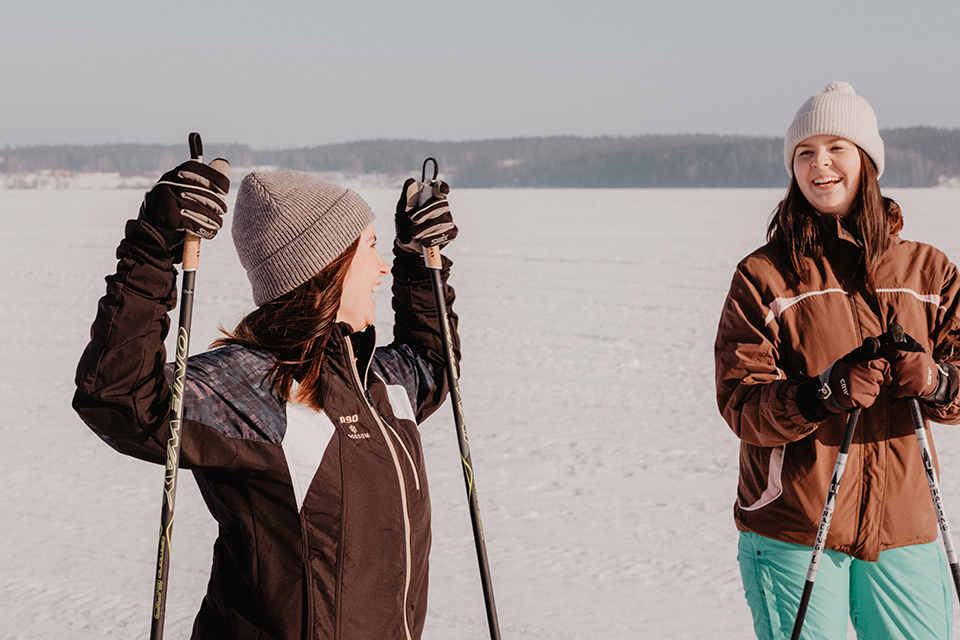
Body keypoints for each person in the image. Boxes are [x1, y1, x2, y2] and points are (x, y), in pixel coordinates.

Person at [73, 159, 460, 639]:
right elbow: (118, 396)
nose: (383, 267)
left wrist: (417, 259)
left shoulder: (374, 381)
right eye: (374, 249)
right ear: (329, 267)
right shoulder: (256, 390)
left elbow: (432, 361)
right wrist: (155, 246)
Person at [715, 81, 960, 639]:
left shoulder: (928, 271)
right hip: (795, 525)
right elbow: (741, 403)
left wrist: (937, 379)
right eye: (804, 153)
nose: (819, 164)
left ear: (867, 161)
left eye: (836, 148)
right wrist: (822, 392)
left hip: (905, 525)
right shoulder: (764, 275)